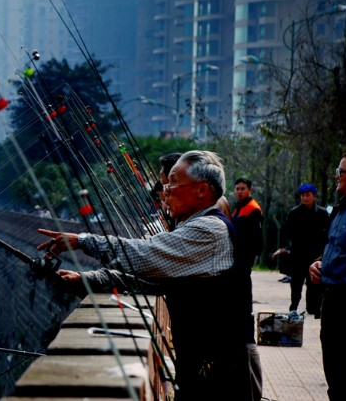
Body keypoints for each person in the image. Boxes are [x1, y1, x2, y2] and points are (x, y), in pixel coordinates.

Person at [38, 150, 262, 400]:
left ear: (201, 190)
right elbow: (151, 278)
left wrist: (82, 241)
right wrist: (89, 280)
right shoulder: (193, 227)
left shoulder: (209, 230)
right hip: (206, 364)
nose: (165, 191)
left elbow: (143, 255)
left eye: (173, 182)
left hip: (227, 367)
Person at [309, 150, 346, 401]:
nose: (337, 177)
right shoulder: (341, 208)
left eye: (341, 172)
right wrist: (319, 263)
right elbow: (335, 247)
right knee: (333, 368)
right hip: (332, 299)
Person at [271, 183, 328, 317]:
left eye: (308, 195)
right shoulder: (294, 213)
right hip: (298, 254)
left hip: (315, 255)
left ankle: (314, 308)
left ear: (314, 196)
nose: (305, 198)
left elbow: (327, 234)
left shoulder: (322, 213)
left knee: (314, 284)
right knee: (296, 283)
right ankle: (294, 307)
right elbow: (286, 232)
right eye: (302, 195)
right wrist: (287, 249)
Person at [232, 177, 264, 267]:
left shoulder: (253, 208)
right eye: (237, 189)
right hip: (237, 250)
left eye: (243, 189)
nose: (239, 192)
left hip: (246, 252)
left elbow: (256, 233)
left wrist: (252, 252)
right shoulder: (239, 207)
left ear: (249, 190)